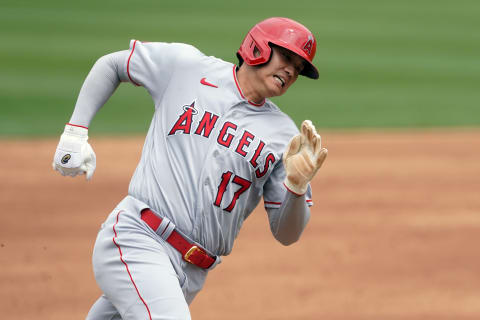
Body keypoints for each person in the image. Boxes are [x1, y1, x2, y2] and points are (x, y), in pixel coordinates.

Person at [52, 17, 328, 320]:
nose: (291, 70)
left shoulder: (283, 135)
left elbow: (287, 234)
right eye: (287, 57)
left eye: (299, 68)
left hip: (190, 274)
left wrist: (297, 188)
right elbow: (114, 64)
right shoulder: (187, 67)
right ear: (257, 47)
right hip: (139, 237)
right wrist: (75, 132)